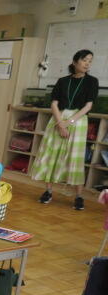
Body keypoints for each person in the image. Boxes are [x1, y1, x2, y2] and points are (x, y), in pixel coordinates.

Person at [31, 49, 99, 210]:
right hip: (58, 119)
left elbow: (88, 106)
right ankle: (48, 191)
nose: (87, 63)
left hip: (78, 121)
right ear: (75, 62)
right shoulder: (62, 81)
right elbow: (54, 103)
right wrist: (60, 123)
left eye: (90, 61)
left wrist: (68, 122)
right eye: (84, 60)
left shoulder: (92, 81)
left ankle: (79, 196)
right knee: (51, 156)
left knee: (75, 159)